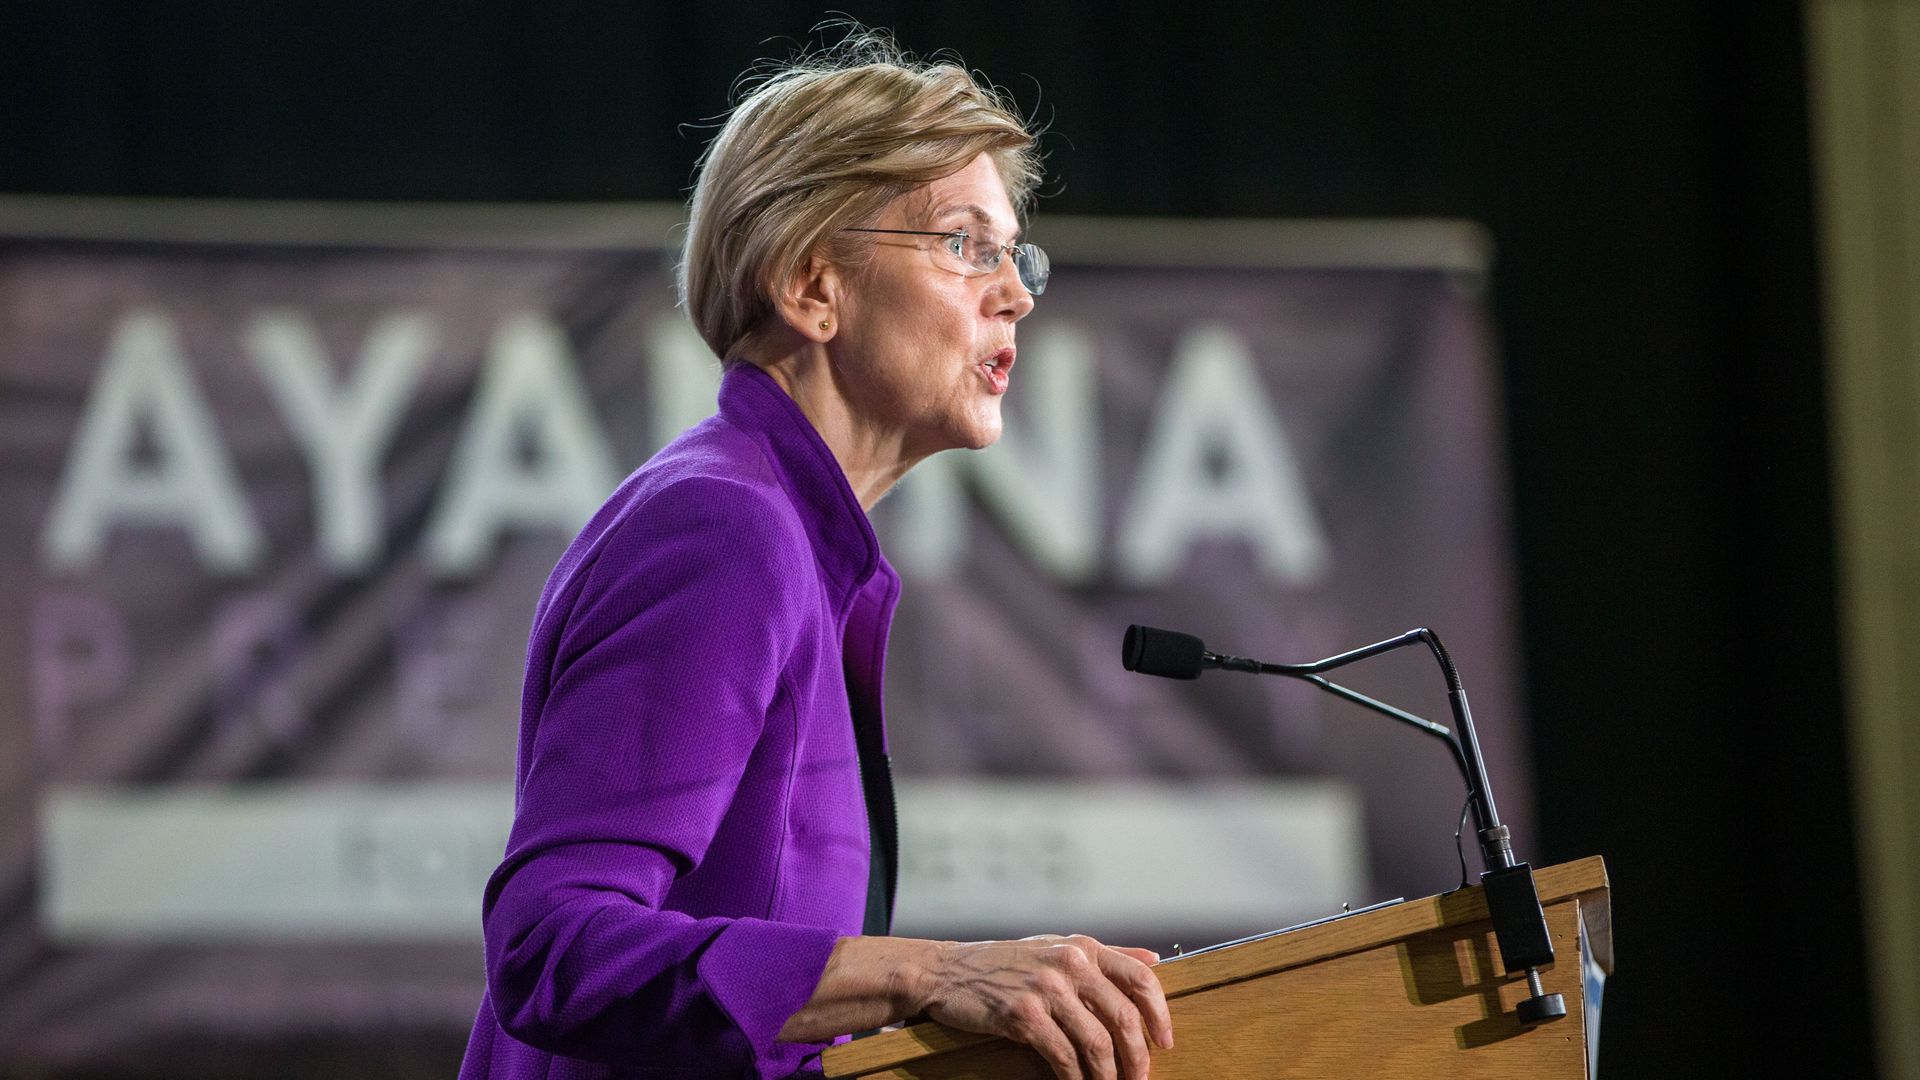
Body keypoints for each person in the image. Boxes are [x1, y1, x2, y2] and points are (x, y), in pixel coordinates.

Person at [458, 31, 1174, 1080]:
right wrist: (929, 972)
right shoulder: (722, 529)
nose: (1014, 293)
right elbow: (553, 948)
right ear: (811, 286)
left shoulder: (786, 535)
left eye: (1015, 255)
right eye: (965, 244)